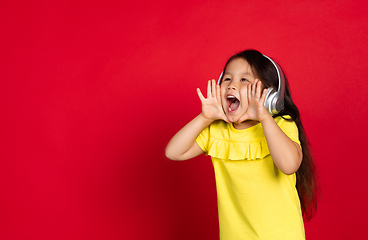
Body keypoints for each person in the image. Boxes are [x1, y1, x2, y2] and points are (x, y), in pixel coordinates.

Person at [165, 49, 319, 240]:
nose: (231, 86)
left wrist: (264, 116)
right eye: (227, 79)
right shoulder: (218, 132)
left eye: (244, 80)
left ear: (269, 95)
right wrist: (205, 118)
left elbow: (289, 165)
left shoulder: (280, 124)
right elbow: (173, 152)